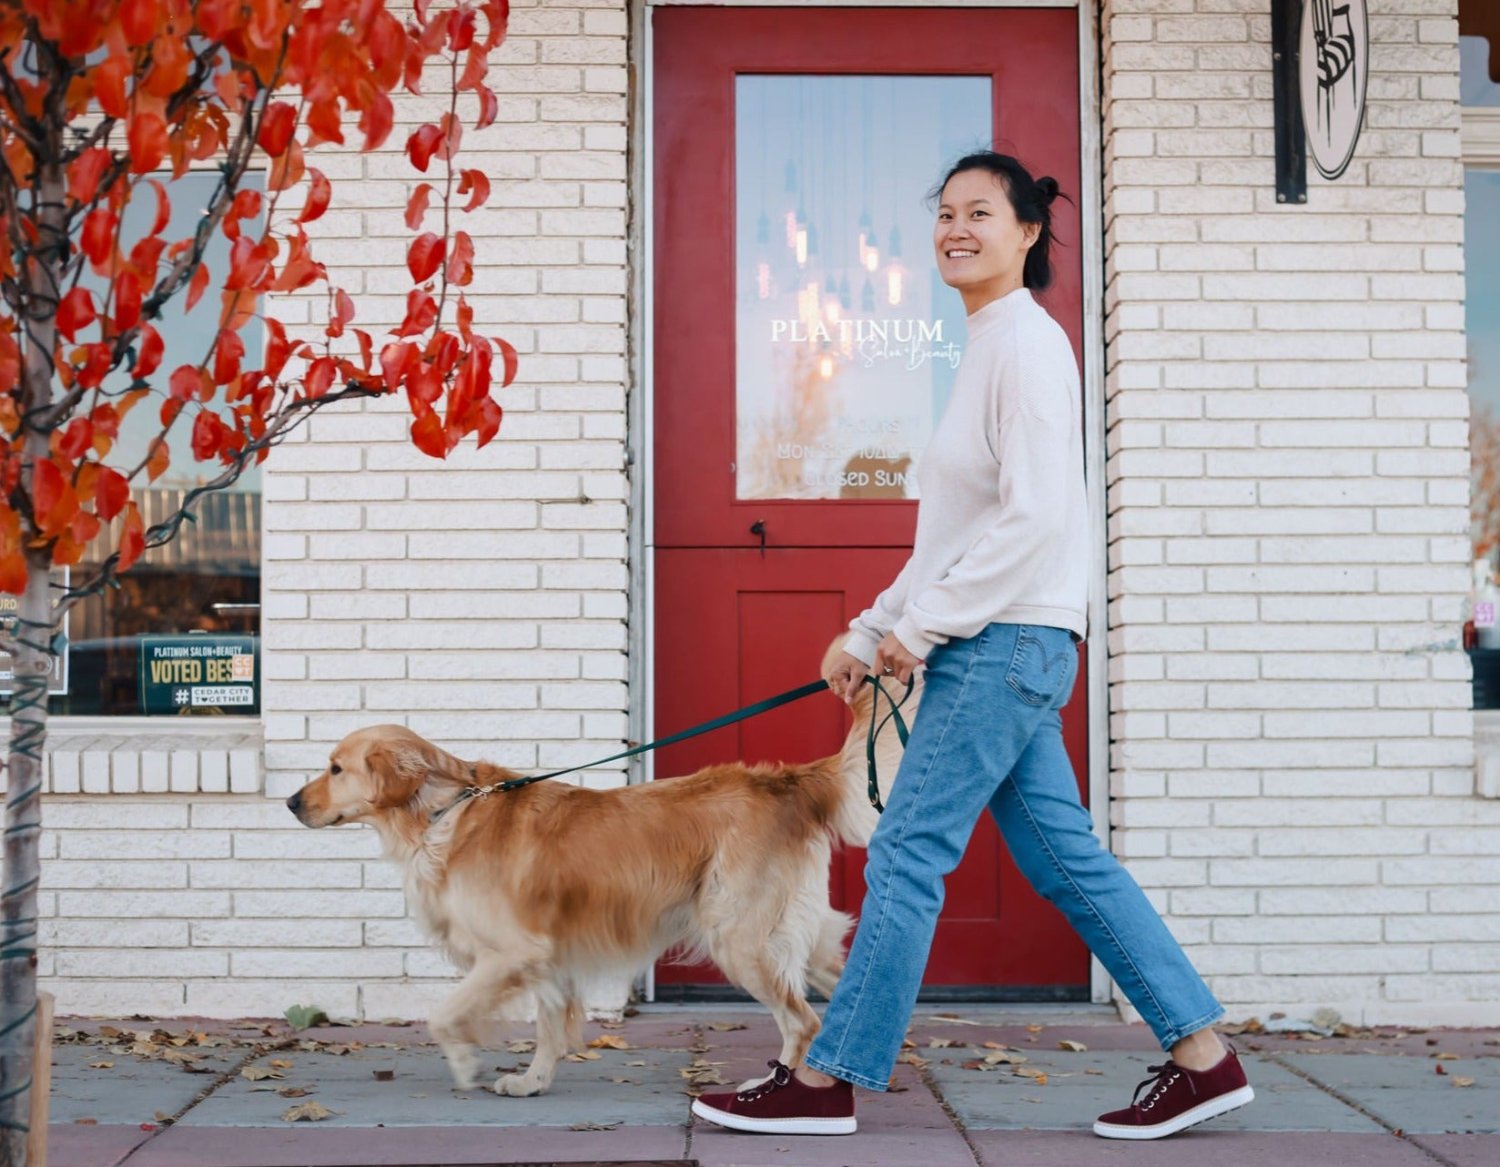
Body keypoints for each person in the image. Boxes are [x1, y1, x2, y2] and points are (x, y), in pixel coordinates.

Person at [691, 152, 1254, 1141]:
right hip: (1008, 642)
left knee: (907, 851)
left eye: (980, 212)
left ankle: (828, 1080)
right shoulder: (989, 348)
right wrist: (874, 628)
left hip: (1005, 643)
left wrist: (917, 630)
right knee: (1065, 862)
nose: (956, 227)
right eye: (944, 212)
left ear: (1029, 231)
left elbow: (1036, 520)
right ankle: (1203, 1057)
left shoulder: (1026, 347)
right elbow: (954, 537)